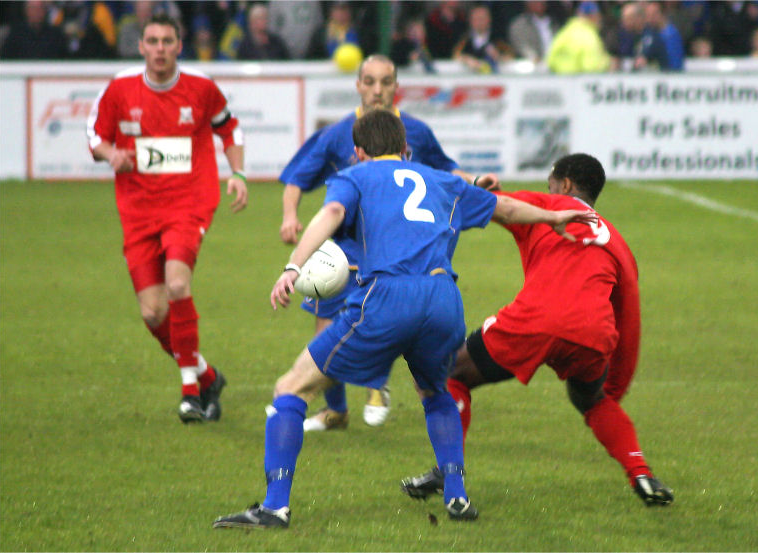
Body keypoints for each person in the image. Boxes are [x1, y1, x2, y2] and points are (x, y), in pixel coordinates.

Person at [212, 109, 597, 530]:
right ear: (406, 149)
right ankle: (457, 495)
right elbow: (503, 208)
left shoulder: (354, 177)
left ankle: (273, 507)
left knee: (292, 386)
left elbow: (333, 213)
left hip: (388, 297)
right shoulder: (441, 179)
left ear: (358, 152)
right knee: (434, 390)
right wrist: (553, 216)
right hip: (443, 299)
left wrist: (292, 267)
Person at [400, 153, 674, 509]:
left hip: (536, 320)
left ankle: (447, 471)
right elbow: (630, 317)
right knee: (590, 400)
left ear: (566, 185)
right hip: (592, 332)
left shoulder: (548, 205)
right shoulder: (618, 243)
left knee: (450, 373)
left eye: (550, 182)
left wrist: (478, 188)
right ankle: (640, 472)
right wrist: (615, 386)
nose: (548, 189)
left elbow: (504, 207)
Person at [279, 54, 498, 433]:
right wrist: (289, 214)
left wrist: (474, 181)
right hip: (345, 253)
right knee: (325, 334)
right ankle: (335, 413)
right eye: (370, 81)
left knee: (382, 322)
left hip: (391, 251)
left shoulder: (416, 131)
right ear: (358, 85)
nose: (377, 90)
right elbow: (299, 176)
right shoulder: (337, 133)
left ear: (396, 86)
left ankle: (375, 387)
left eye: (386, 82)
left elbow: (448, 171)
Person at [86, 13, 248, 423]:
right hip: (138, 209)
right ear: (141, 46)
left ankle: (190, 392)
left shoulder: (201, 88)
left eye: (167, 41)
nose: (160, 48)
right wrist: (112, 155)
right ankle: (207, 375)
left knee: (178, 283)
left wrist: (239, 174)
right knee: (152, 313)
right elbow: (95, 137)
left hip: (188, 201)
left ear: (179, 45)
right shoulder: (120, 89)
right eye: (152, 41)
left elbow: (229, 128)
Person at [545, 1, 610, 74]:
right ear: (594, 16)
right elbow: (592, 67)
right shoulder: (589, 37)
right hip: (579, 82)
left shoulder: (564, 32)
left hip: (560, 80)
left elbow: (550, 59)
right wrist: (608, 63)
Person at [452, 4, 514, 74]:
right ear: (470, 21)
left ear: (489, 20)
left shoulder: (497, 38)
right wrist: (467, 59)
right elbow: (456, 55)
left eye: (482, 19)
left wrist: (498, 57)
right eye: (476, 19)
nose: (479, 22)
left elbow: (510, 55)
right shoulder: (465, 38)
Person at [1, 0, 68, 60]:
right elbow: (6, 60)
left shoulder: (56, 35)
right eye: (33, 9)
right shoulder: (15, 35)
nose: (37, 12)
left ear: (45, 11)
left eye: (40, 9)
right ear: (26, 11)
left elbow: (65, 60)